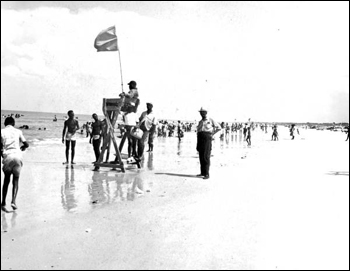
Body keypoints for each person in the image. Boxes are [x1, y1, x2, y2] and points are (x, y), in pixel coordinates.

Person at [1, 117, 29, 212]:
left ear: (5, 123)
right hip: (17, 156)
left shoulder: (2, 132)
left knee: (6, 181)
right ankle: (13, 201)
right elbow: (26, 144)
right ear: (13, 123)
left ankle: (3, 203)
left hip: (8, 157)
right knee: (16, 180)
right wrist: (23, 148)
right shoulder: (18, 131)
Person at [196, 107, 221, 179]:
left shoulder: (210, 120)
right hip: (200, 138)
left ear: (206, 112)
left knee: (206, 156)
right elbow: (198, 132)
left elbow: (219, 127)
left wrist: (212, 134)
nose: (201, 114)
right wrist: (197, 143)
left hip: (207, 138)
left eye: (203, 112)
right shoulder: (200, 121)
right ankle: (202, 172)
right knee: (201, 156)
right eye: (200, 112)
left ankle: (207, 174)